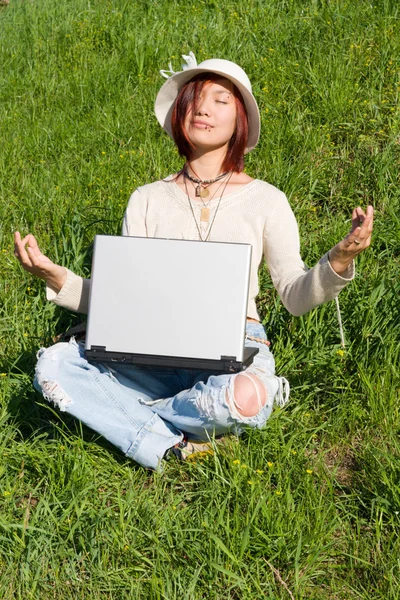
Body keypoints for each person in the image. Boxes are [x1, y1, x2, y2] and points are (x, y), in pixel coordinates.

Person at [14, 54, 373, 470]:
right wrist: (59, 278)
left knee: (243, 397)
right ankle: (172, 443)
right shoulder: (146, 198)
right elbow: (125, 301)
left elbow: (294, 296)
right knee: (55, 364)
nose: (203, 109)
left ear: (240, 120)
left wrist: (340, 259)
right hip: (153, 350)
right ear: (179, 114)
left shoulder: (267, 200)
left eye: (221, 100)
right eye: (195, 100)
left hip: (238, 346)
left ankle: (137, 415)